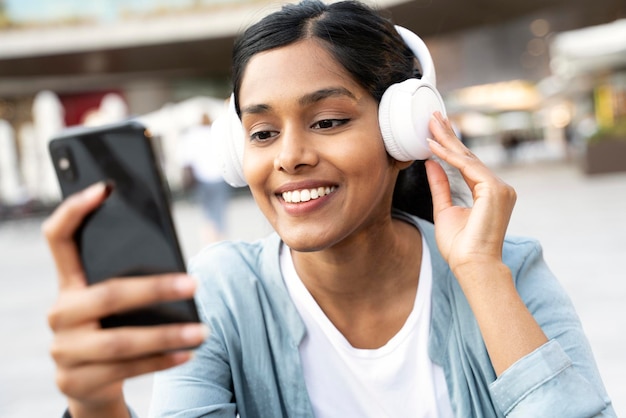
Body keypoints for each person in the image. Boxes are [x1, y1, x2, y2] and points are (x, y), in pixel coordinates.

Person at [43, 1, 615, 416]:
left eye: (328, 122)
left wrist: (481, 277)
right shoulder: (224, 292)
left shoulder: (506, 269)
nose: (289, 156)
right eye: (262, 133)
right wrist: (96, 408)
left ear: (404, 136)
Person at [180, 111, 231, 243]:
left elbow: (186, 159)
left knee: (207, 210)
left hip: (201, 178)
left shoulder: (192, 135)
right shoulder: (217, 133)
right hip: (220, 177)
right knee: (219, 208)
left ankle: (211, 238)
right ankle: (221, 236)